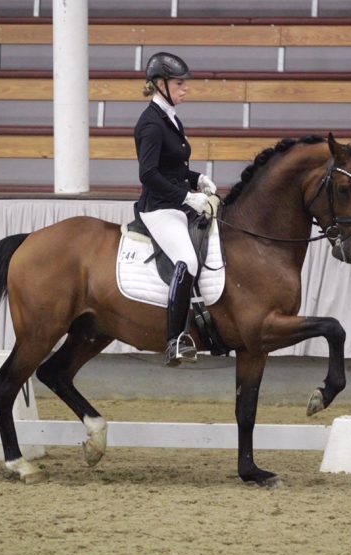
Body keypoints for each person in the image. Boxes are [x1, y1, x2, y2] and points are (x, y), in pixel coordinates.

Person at [134, 52, 217, 367]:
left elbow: (173, 166)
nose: (186, 89)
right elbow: (149, 174)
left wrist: (198, 179)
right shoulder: (151, 124)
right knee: (187, 259)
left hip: (177, 203)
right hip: (159, 209)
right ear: (160, 84)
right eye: (179, 83)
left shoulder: (170, 117)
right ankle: (175, 340)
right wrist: (186, 196)